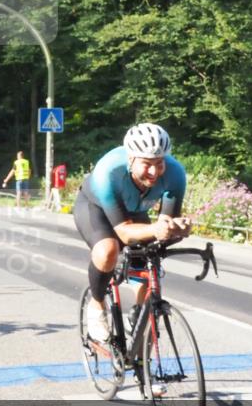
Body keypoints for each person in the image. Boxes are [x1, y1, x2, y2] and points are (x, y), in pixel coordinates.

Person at [74, 123, 192, 343]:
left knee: (150, 262)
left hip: (135, 212)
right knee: (108, 250)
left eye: (159, 164)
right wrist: (157, 230)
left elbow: (165, 225)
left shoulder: (175, 173)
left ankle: (139, 319)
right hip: (95, 208)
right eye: (147, 164)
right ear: (131, 160)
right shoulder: (108, 172)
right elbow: (125, 234)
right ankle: (97, 305)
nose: (154, 172)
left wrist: (179, 229)